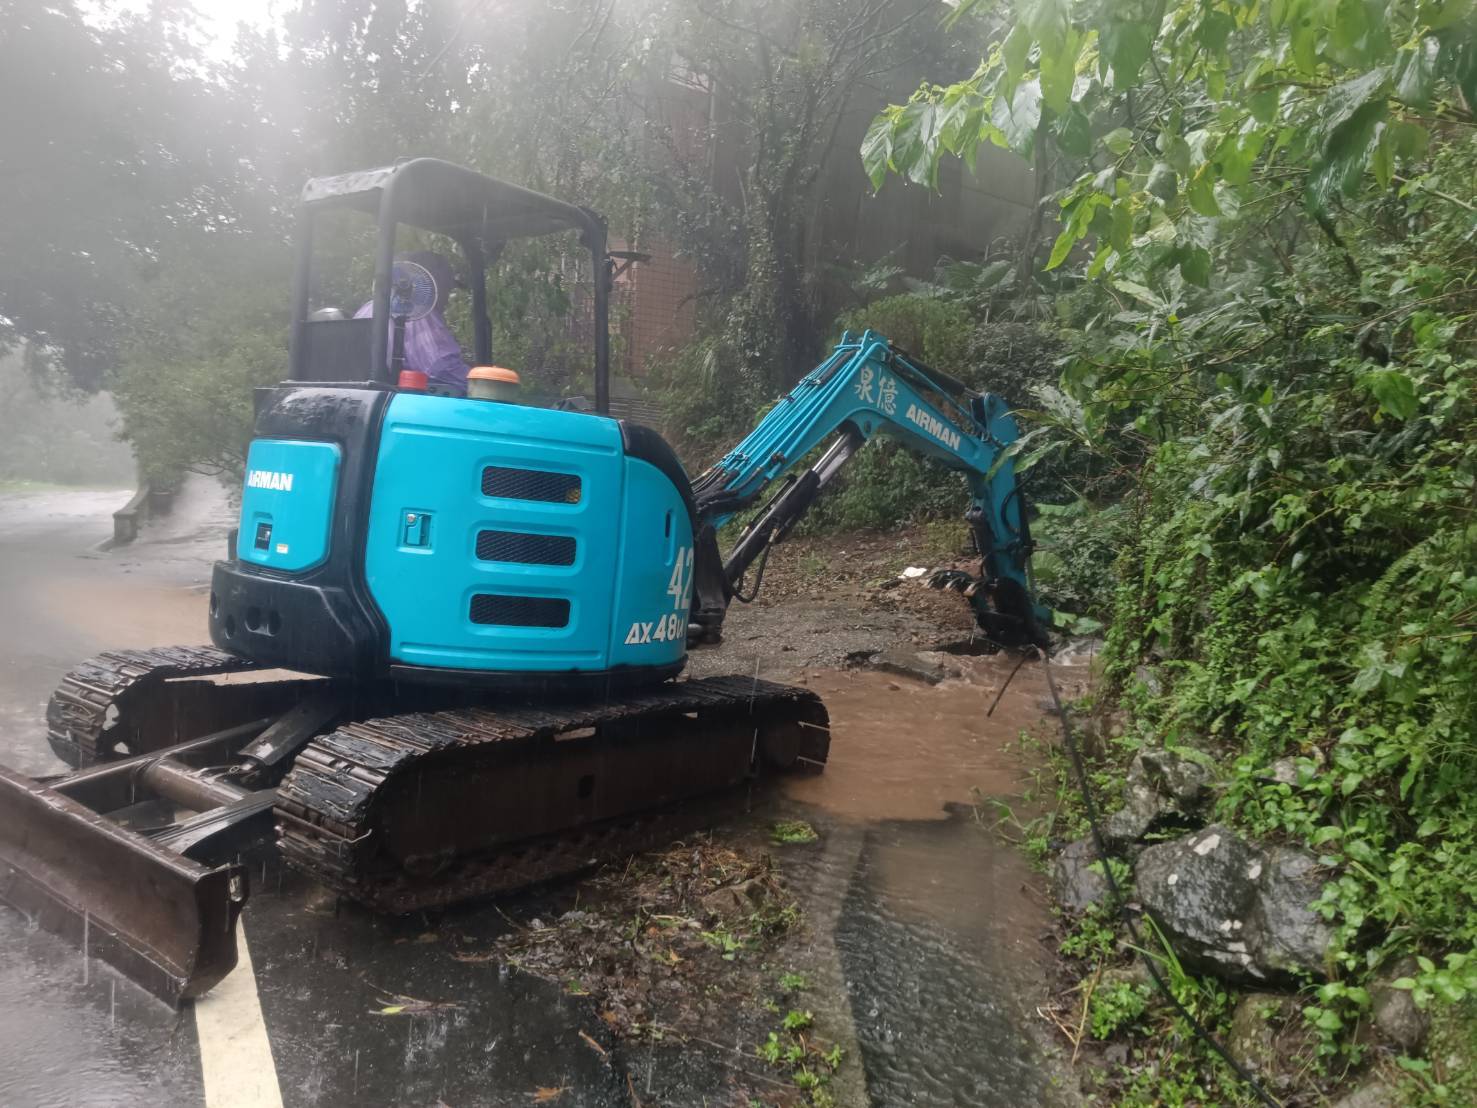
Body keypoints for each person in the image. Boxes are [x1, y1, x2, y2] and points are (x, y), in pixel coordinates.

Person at [355, 251, 470, 395]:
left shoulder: (367, 308)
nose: (447, 298)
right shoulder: (419, 314)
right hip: (399, 399)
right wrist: (479, 383)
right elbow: (441, 368)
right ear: (431, 283)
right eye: (447, 288)